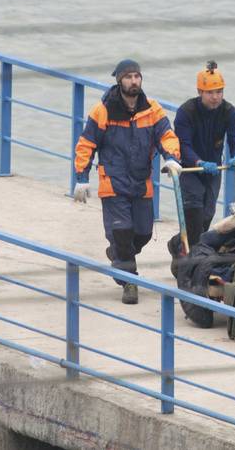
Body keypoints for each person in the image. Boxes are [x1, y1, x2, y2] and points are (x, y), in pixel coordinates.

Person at [73, 59, 181, 304]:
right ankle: (129, 282)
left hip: (142, 182)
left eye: (137, 76)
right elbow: (86, 144)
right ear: (119, 80)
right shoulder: (102, 111)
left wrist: (171, 158)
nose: (134, 81)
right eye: (129, 76)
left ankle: (118, 255)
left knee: (142, 233)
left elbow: (166, 134)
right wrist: (81, 177)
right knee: (122, 232)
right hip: (113, 182)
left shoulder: (152, 109)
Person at [173, 60, 235, 248]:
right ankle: (191, 262)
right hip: (191, 169)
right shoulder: (186, 112)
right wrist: (199, 162)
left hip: (214, 170)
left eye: (219, 92)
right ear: (200, 92)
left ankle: (177, 245)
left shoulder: (229, 112)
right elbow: (183, 145)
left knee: (206, 217)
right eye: (210, 93)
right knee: (195, 218)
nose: (215, 97)